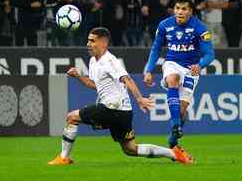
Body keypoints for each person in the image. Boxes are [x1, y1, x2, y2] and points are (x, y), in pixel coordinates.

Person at [48, 27, 193, 165]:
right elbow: (94, 84)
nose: (88, 44)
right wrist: (78, 76)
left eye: (92, 41)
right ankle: (175, 154)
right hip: (122, 112)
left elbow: (127, 79)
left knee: (72, 117)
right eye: (88, 40)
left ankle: (64, 158)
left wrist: (140, 99)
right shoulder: (93, 61)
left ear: (103, 43)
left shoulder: (110, 61)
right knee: (130, 149)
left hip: (112, 108)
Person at [143, 0, 215, 158]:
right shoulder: (164, 25)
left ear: (190, 11)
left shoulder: (200, 28)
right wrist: (148, 70)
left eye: (184, 9)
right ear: (173, 9)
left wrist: (200, 65)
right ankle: (176, 125)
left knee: (182, 110)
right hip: (172, 63)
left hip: (191, 69)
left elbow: (210, 54)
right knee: (172, 79)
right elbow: (155, 49)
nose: (180, 12)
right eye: (177, 8)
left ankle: (173, 140)